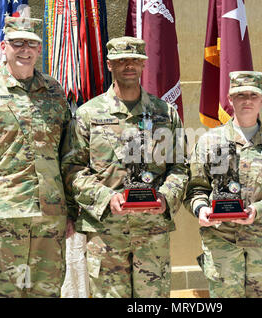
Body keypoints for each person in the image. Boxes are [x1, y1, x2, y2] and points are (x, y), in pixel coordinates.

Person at [0, 17, 75, 298]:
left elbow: (68, 155)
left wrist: (70, 210)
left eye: (31, 43)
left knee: (47, 294)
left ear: (39, 48)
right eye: (18, 43)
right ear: (4, 46)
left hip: (50, 219)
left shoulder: (55, 92)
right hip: (1, 219)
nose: (25, 50)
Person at [60, 36, 188, 298]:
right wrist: (107, 198)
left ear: (143, 65)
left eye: (135, 61)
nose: (129, 66)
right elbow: (73, 169)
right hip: (107, 233)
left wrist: (166, 197)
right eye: (121, 61)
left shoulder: (165, 113)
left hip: (151, 231)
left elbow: (180, 167)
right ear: (109, 65)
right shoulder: (88, 115)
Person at [184, 71, 262, 298]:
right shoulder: (209, 142)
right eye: (240, 95)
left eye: (252, 95)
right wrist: (201, 209)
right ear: (230, 99)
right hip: (222, 244)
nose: (246, 100)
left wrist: (258, 210)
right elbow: (195, 189)